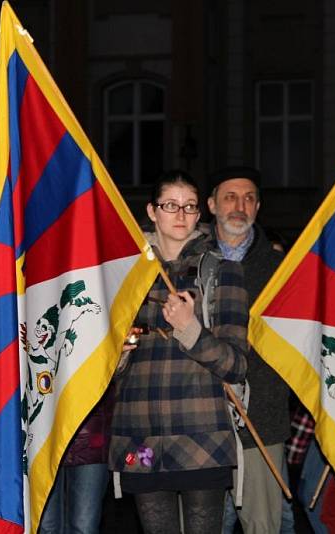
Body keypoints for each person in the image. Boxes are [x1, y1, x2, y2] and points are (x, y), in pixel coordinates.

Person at [108, 170, 249, 534]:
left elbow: (236, 365)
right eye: (171, 205)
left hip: (201, 432)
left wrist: (190, 330)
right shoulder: (126, 274)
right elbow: (103, 366)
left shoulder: (221, 272)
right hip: (140, 431)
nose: (181, 215)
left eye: (189, 206)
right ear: (153, 212)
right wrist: (117, 354)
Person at [207, 166, 292, 534]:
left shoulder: (281, 269)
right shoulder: (192, 262)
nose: (239, 205)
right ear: (212, 205)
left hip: (262, 418)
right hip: (200, 421)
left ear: (258, 207)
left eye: (248, 198)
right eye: (230, 196)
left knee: (263, 525)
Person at [39, 389, 114, 534]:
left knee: (84, 526)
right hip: (45, 433)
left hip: (92, 432)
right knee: (46, 527)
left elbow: (120, 371)